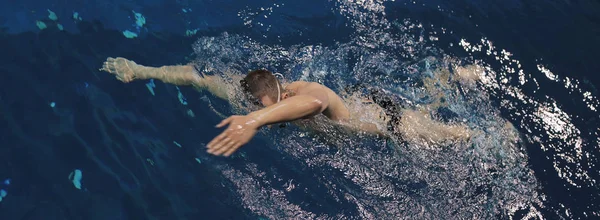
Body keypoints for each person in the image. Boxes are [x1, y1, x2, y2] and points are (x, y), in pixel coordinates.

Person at [100, 57, 471, 156]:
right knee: (428, 98)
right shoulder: (243, 92)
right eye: (263, 107)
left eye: (278, 105)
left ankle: (456, 77)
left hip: (388, 122)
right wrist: (141, 70)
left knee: (461, 136)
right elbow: (196, 76)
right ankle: (446, 77)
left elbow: (316, 102)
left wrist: (254, 120)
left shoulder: (304, 92)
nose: (281, 111)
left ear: (283, 94)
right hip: (365, 101)